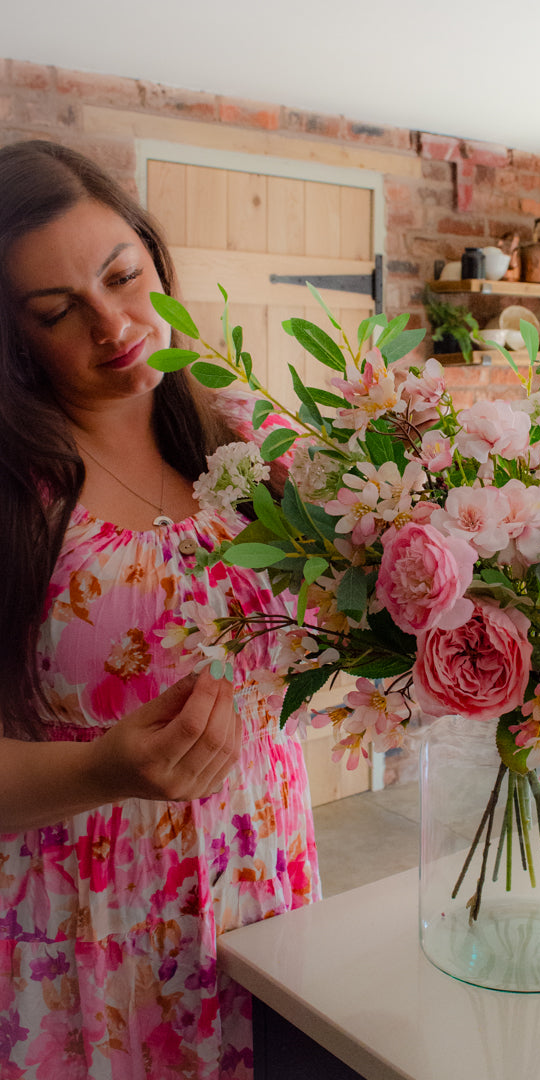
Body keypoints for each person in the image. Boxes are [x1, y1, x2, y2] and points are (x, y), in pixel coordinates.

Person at [0, 140, 320, 1078]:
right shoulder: (18, 499)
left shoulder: (249, 442)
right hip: (89, 940)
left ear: (153, 253)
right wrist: (102, 768)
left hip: (268, 894)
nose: (113, 325)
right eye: (59, 312)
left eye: (123, 275)